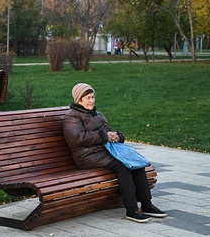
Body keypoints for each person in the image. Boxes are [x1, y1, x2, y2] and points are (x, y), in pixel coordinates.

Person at [62, 83, 167, 223]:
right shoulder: (72, 116)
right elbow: (78, 139)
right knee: (122, 166)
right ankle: (131, 210)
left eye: (93, 97)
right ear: (78, 99)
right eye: (87, 98)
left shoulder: (97, 113)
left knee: (135, 163)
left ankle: (147, 205)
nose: (91, 101)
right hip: (86, 155)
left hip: (103, 151)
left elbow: (106, 133)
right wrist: (105, 136)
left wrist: (116, 136)